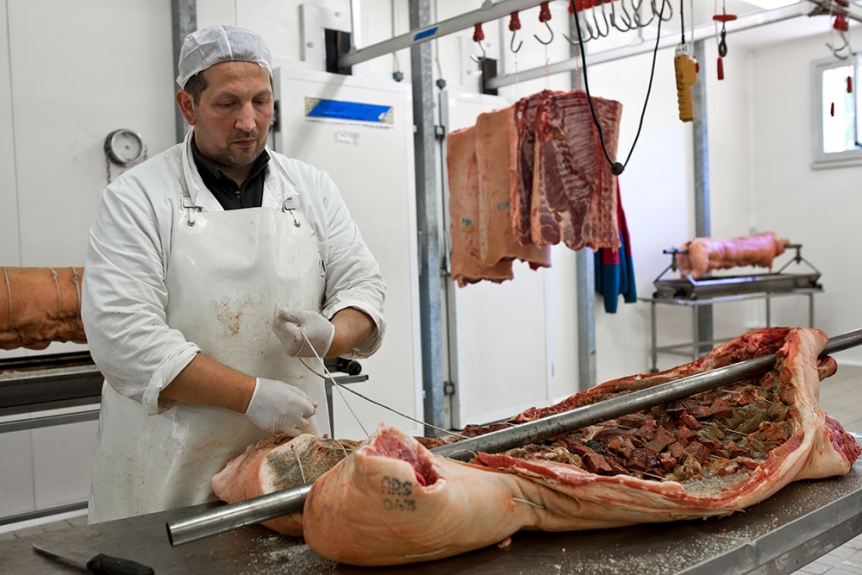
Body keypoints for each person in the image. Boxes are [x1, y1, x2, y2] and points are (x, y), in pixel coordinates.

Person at [81, 24, 385, 523]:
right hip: (166, 474)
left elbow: (363, 286)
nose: (248, 121)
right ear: (188, 106)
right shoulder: (138, 198)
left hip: (290, 465)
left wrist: (333, 334)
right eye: (227, 104)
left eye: (261, 101)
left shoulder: (311, 188)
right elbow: (124, 338)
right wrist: (251, 396)